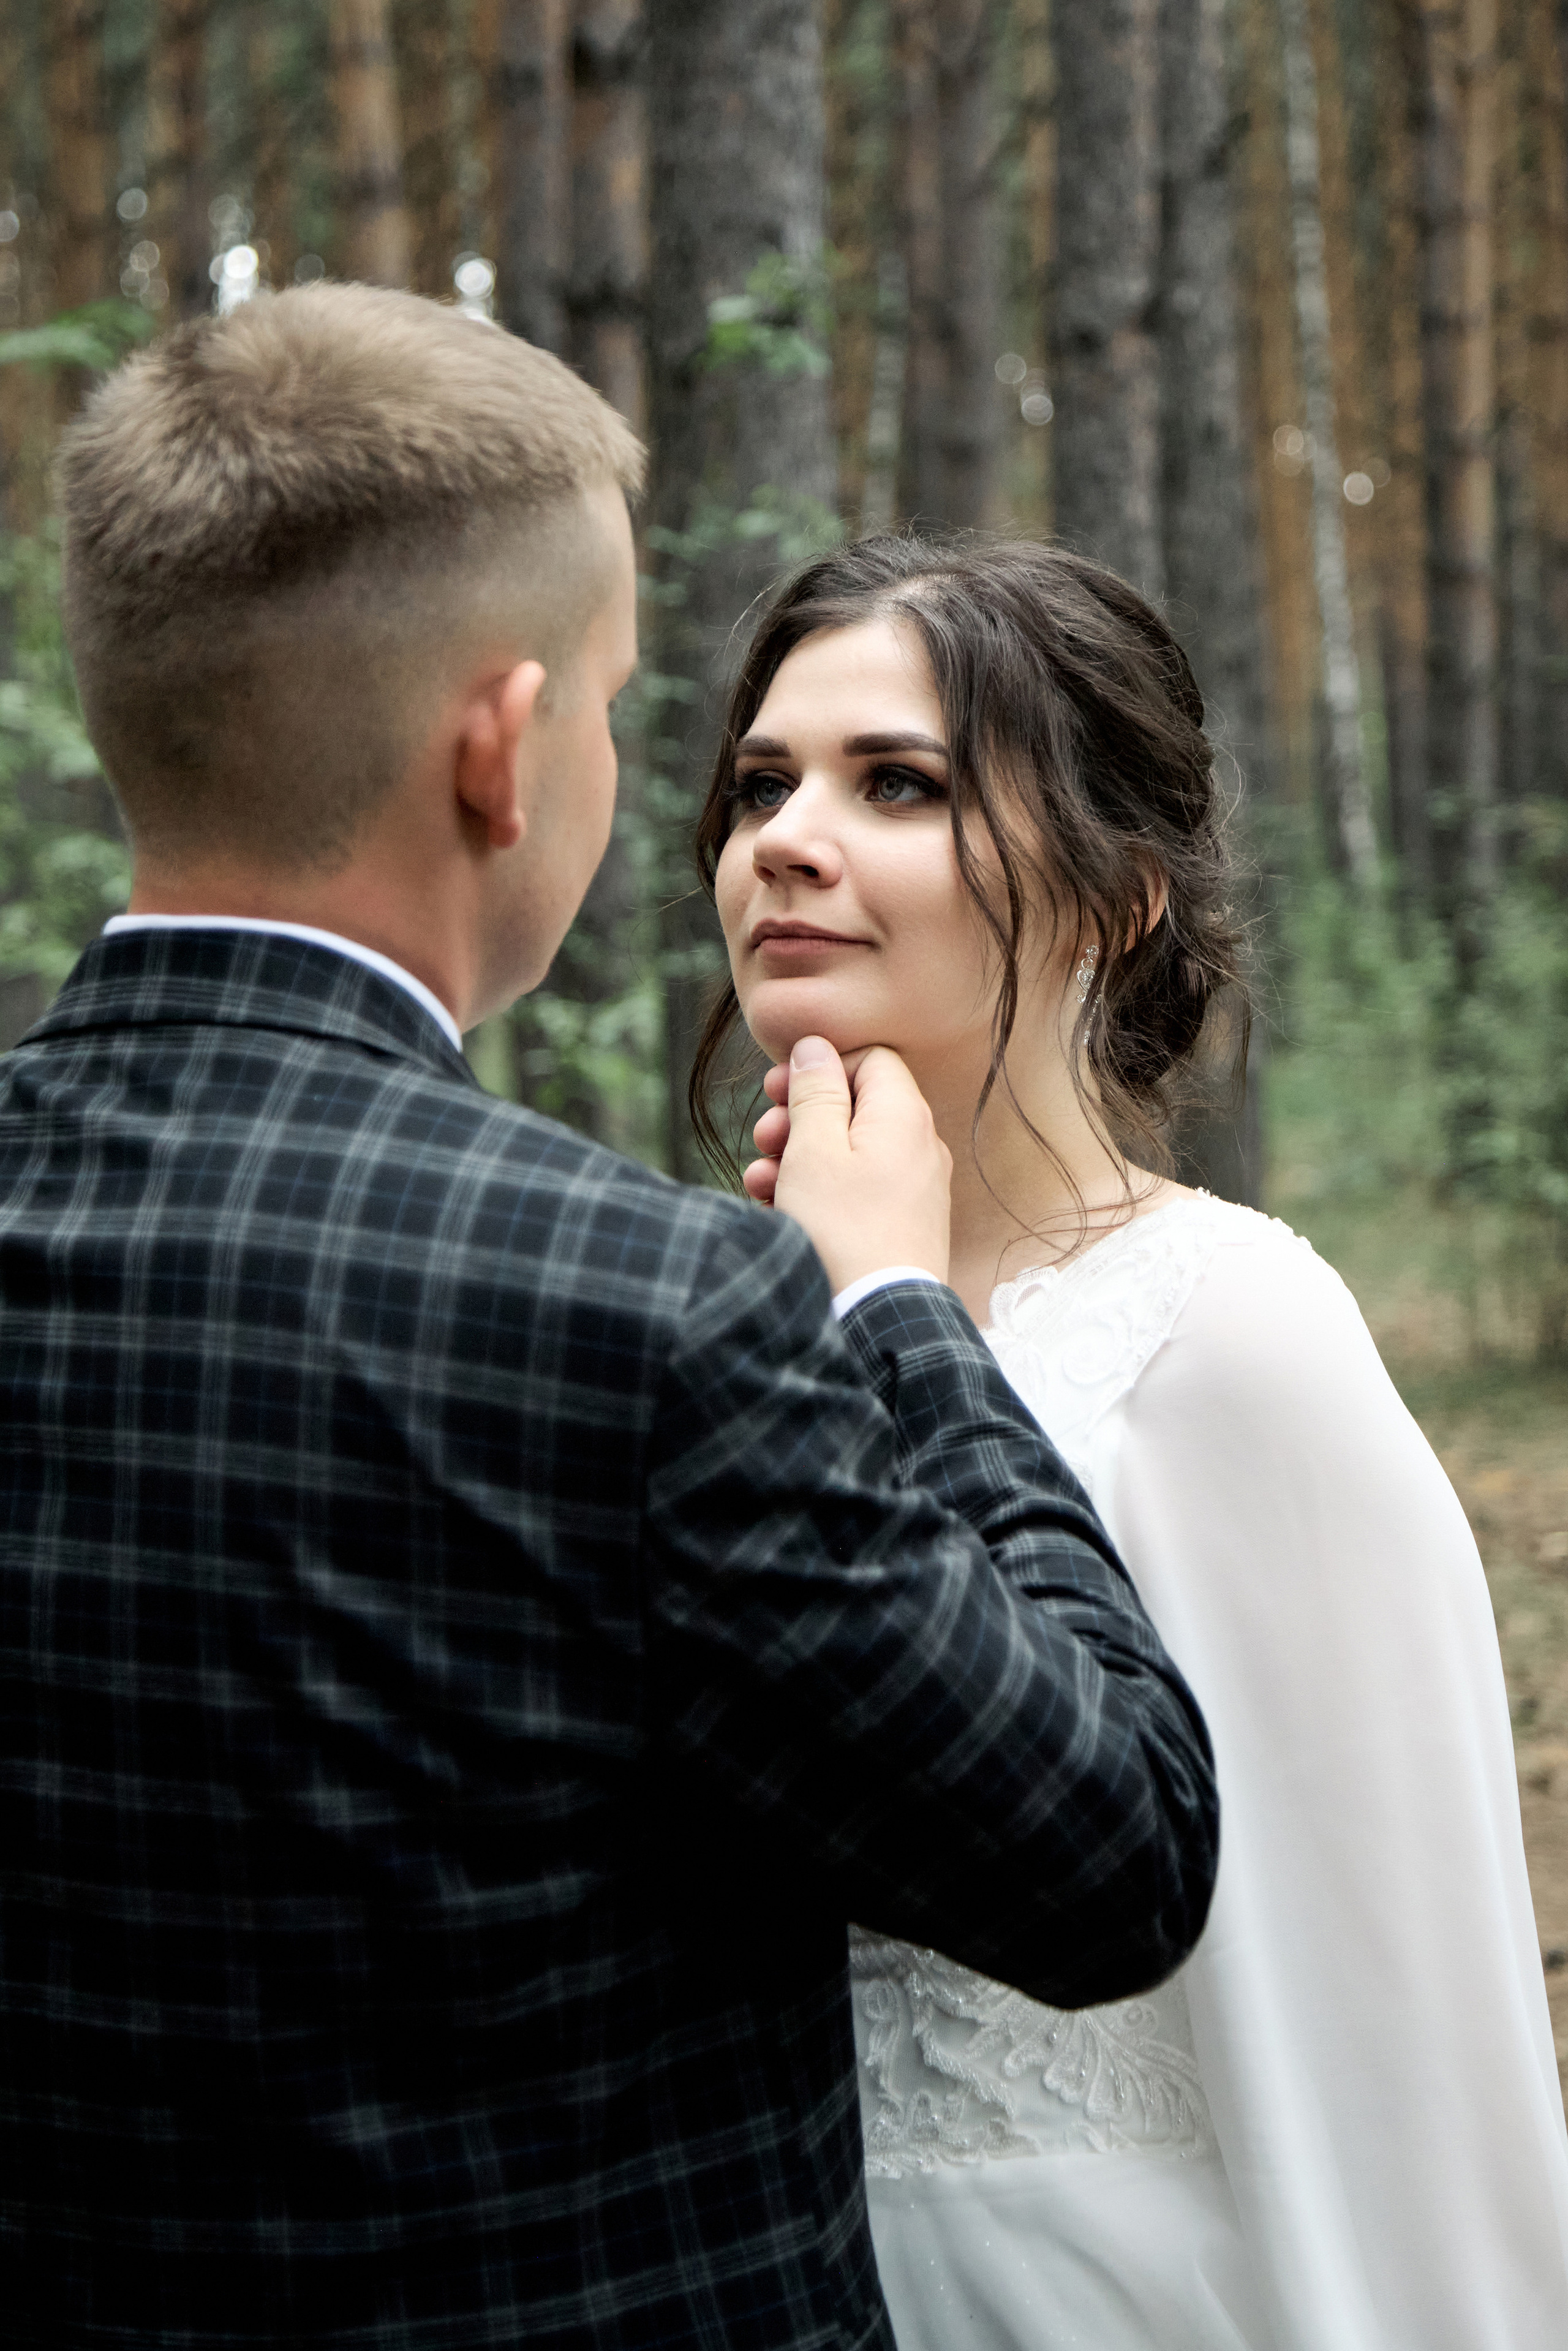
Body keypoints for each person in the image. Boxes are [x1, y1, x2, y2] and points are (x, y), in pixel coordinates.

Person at [0, 288, 1219, 2350]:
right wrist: (903, 1308)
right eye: (639, 720)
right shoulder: (648, 1311)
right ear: (500, 744)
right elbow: (1108, 1847)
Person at [700, 533, 1568, 2351]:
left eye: (898, 785)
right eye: (763, 781)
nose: (785, 835)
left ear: (1116, 897)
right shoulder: (701, 1317)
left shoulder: (1230, 1331)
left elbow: (1412, 2032)